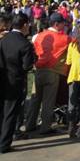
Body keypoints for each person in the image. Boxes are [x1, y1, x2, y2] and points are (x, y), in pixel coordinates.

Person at [26, 12, 71, 134]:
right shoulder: (64, 38)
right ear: (57, 24)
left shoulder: (38, 36)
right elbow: (78, 41)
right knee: (48, 101)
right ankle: (45, 127)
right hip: (52, 72)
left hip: (38, 70)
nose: (64, 26)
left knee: (35, 99)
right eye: (62, 23)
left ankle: (29, 124)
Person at [0, 13, 36, 153]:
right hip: (15, 81)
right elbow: (27, 66)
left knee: (2, 112)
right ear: (25, 25)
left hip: (3, 78)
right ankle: (4, 144)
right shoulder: (25, 44)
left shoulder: (4, 39)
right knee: (10, 114)